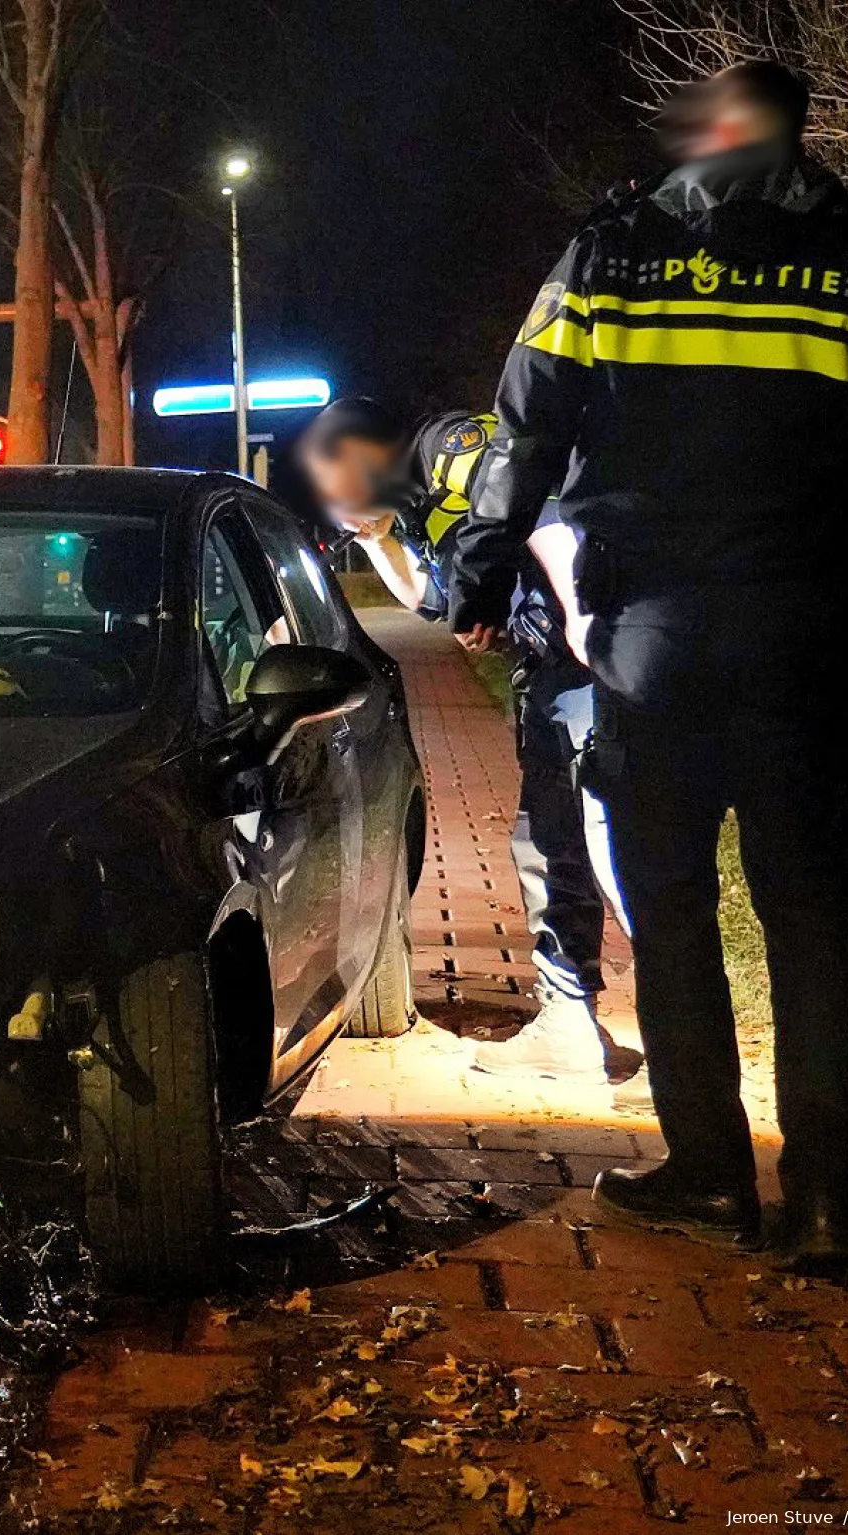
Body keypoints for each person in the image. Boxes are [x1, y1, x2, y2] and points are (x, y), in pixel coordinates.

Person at [447, 61, 848, 1272]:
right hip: (799, 635)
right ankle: (829, 1198)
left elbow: (524, 426)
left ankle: (709, 1176)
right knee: (809, 914)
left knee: (672, 911)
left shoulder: (611, 254)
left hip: (653, 641)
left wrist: (474, 570)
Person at [297, 398, 621, 1085]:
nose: (332, 503)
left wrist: (585, 623)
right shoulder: (411, 508)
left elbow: (544, 513)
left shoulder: (450, 445)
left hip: (594, 658)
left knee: (610, 832)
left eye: (334, 481)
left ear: (359, 452)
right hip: (552, 672)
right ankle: (568, 1021)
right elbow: (435, 602)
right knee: (545, 838)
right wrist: (378, 536)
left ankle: (686, 1017)